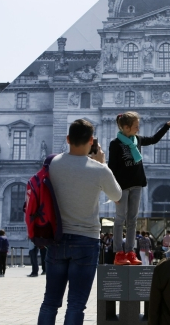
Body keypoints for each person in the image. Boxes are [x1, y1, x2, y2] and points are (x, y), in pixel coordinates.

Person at [38, 119, 122, 325]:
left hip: (56, 238)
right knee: (76, 304)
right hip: (86, 240)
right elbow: (118, 195)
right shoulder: (99, 170)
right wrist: (103, 164)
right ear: (91, 141)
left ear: (68, 139)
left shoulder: (52, 164)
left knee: (50, 302)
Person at [108, 112, 170, 266]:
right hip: (121, 187)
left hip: (137, 184)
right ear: (126, 127)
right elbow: (111, 168)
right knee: (120, 219)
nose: (138, 129)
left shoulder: (138, 141)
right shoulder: (115, 144)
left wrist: (167, 126)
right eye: (136, 126)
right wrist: (112, 192)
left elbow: (154, 139)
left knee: (132, 220)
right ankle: (118, 253)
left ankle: (129, 251)